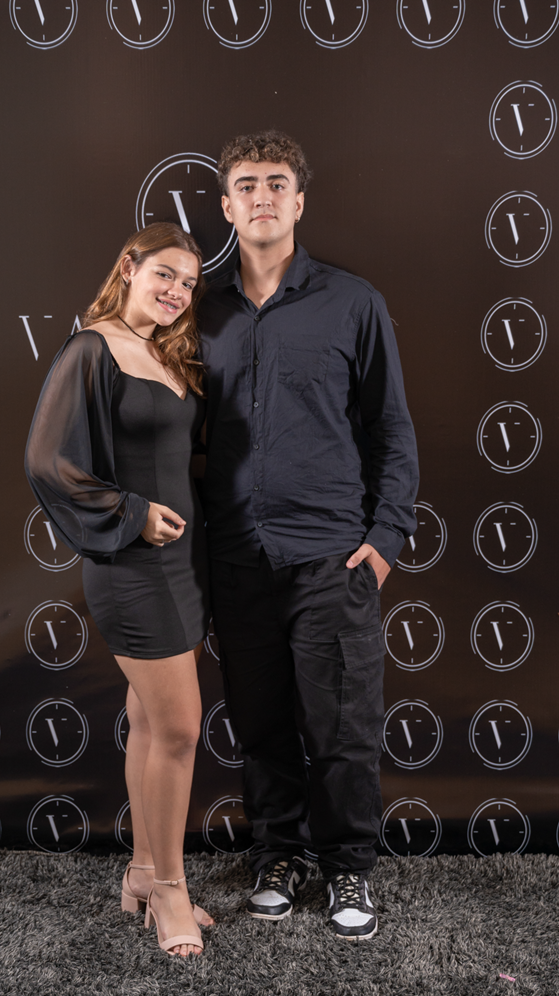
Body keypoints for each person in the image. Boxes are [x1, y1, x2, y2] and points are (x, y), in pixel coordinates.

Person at [199, 131, 418, 939]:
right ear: (227, 206)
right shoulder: (200, 310)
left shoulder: (352, 302)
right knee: (260, 724)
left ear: (298, 201)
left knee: (342, 728)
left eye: (276, 182)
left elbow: (391, 427)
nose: (261, 195)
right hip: (236, 556)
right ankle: (278, 857)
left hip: (332, 555)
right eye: (246, 184)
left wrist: (386, 538)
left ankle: (348, 867)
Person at [25, 223, 214, 957]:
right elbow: (47, 460)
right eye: (165, 274)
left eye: (188, 283)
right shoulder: (91, 348)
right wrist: (132, 514)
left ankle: (140, 871)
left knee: (150, 723)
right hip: (131, 569)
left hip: (182, 567)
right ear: (129, 267)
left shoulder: (165, 353)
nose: (176, 292)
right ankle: (169, 889)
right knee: (180, 730)